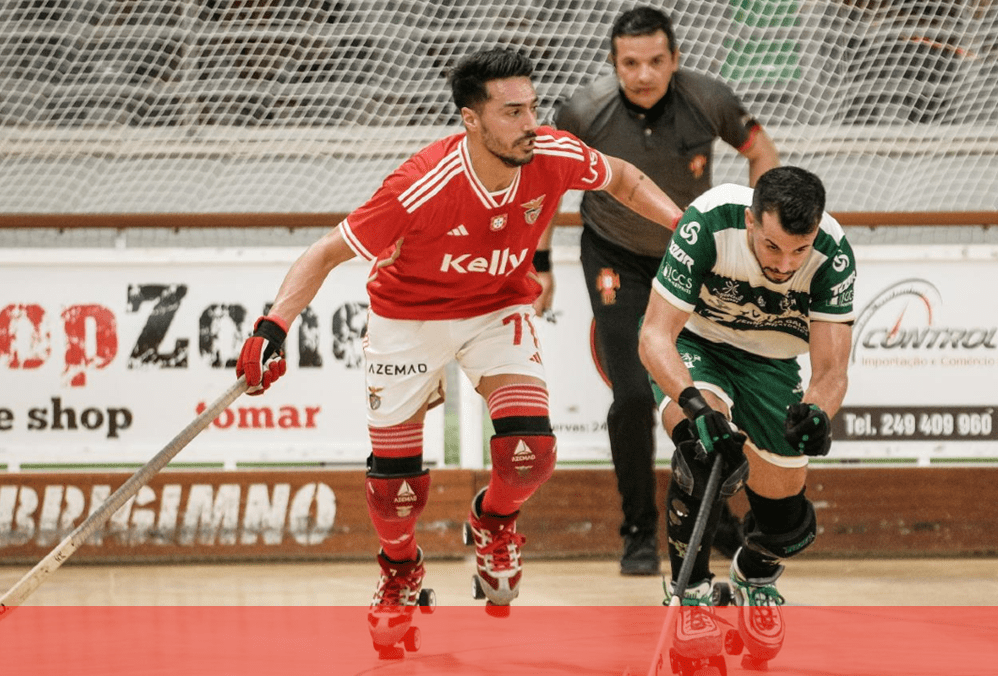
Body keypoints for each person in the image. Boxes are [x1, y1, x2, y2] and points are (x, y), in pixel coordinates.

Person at [235, 49, 683, 622]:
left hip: (496, 310)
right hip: (406, 320)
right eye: (512, 112)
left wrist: (682, 226)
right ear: (471, 120)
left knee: (531, 455)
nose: (530, 125)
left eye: (533, 108)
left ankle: (493, 523)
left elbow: (622, 178)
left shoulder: (550, 151)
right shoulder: (419, 184)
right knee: (395, 494)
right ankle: (400, 569)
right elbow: (325, 253)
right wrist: (272, 327)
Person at [549, 6, 780, 576]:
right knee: (631, 396)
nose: (644, 74)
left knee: (695, 393)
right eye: (630, 62)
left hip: (690, 262)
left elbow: (762, 151)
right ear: (614, 62)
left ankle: (717, 520)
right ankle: (637, 533)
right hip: (612, 259)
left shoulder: (709, 99)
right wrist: (535, 261)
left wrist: (758, 232)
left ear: (675, 60)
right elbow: (543, 177)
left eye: (655, 61)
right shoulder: (584, 109)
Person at [638, 166, 855, 664]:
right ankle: (690, 595)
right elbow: (654, 336)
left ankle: (753, 576)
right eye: (773, 247)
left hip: (770, 363)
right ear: (752, 222)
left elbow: (831, 369)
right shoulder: (710, 223)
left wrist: (819, 414)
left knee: (789, 526)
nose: (785, 264)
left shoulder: (834, 256)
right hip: (696, 343)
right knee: (704, 452)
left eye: (799, 250)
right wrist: (694, 406)